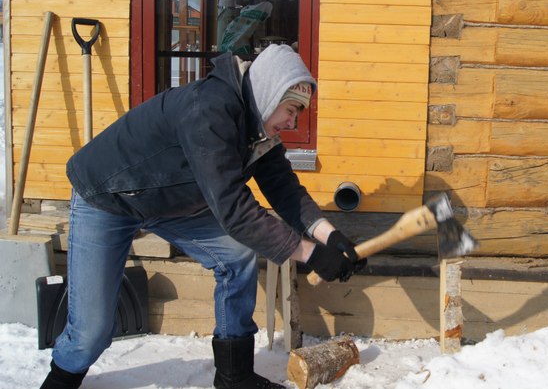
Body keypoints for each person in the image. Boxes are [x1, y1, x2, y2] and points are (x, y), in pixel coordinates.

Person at [40, 44, 365, 389]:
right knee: (91, 331)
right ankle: (59, 382)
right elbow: (234, 210)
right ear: (270, 94)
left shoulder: (260, 128)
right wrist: (311, 254)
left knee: (236, 256)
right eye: (291, 109)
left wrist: (330, 236)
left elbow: (284, 188)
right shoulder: (208, 110)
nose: (293, 121)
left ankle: (233, 376)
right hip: (107, 197)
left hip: (171, 202)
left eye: (298, 114)